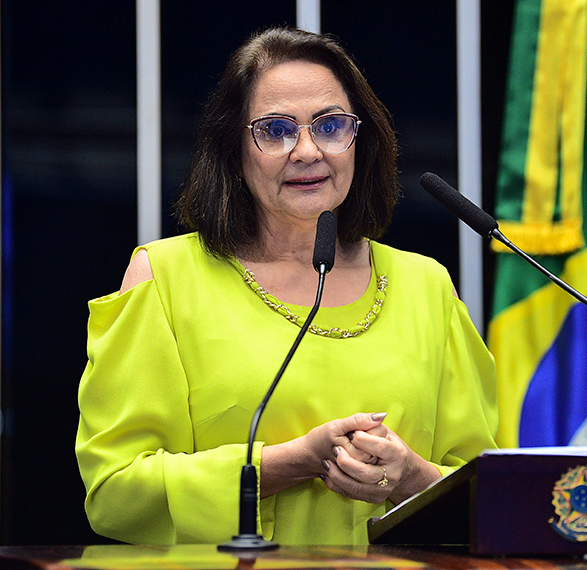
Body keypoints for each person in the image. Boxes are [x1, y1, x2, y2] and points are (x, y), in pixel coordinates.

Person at [75, 26, 497, 546]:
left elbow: (489, 497)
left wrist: (409, 476)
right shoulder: (165, 278)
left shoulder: (426, 286)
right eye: (275, 130)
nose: (306, 151)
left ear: (358, 141)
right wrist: (289, 463)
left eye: (330, 126)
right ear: (235, 150)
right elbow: (115, 494)